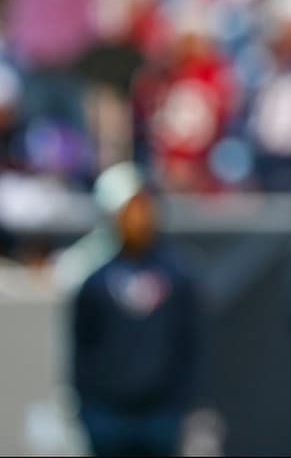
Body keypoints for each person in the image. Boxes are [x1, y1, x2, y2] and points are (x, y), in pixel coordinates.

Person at [71, 162, 201, 457]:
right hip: (108, 414)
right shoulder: (94, 279)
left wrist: (182, 405)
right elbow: (82, 348)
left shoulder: (179, 276)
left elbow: (190, 343)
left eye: (143, 206)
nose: (137, 218)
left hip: (160, 413)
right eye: (129, 209)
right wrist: (89, 410)